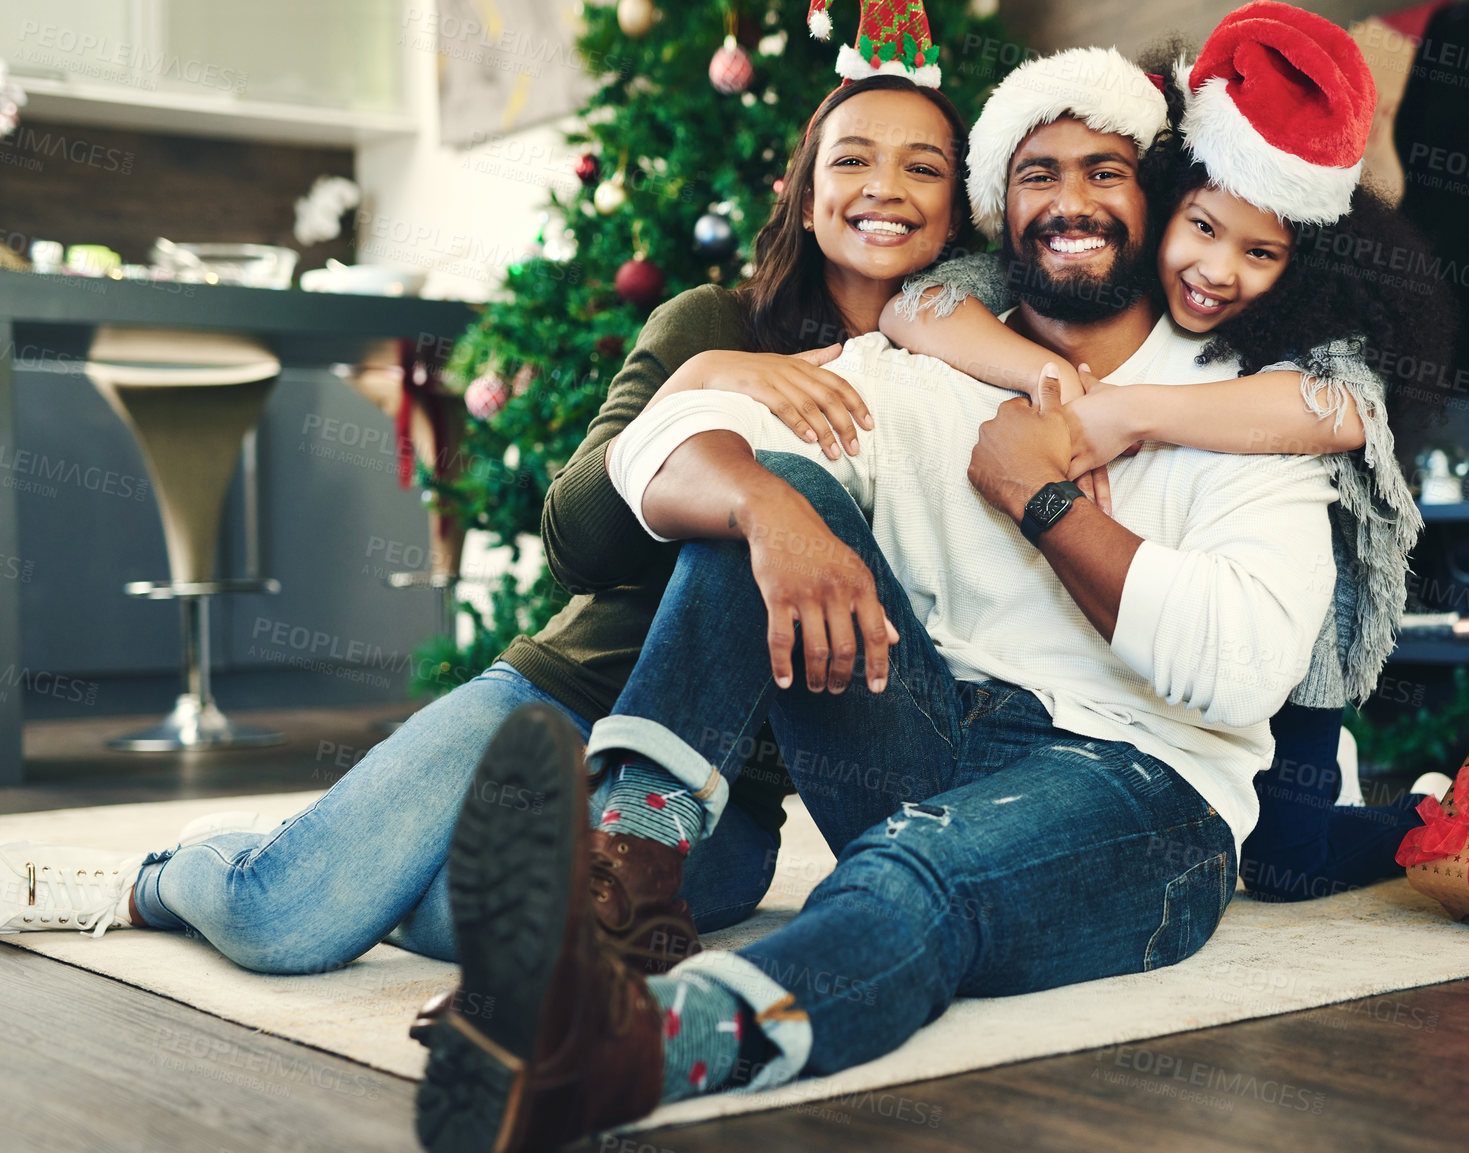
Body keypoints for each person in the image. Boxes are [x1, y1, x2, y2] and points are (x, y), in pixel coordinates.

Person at [411, 17, 1375, 1150]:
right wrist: (764, 500)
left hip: (1145, 793)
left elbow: (1239, 669)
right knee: (771, 490)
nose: (1071, 201)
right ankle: (624, 877)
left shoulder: (1247, 410)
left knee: (914, 868)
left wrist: (1045, 500)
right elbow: (666, 444)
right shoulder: (933, 369)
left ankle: (639, 1044)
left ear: (1153, 199)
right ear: (998, 213)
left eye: (1104, 172)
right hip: (930, 737)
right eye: (1036, 174)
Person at [0, 71, 969, 975]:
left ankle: (393, 857)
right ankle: (154, 877)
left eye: (921, 166)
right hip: (557, 701)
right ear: (805, 199)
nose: (885, 186)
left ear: (957, 211)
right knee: (279, 920)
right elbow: (572, 539)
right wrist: (698, 385)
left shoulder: (961, 384)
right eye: (852, 158)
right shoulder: (712, 325)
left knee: (456, 922)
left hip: (723, 796)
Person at [880, 12, 1458, 902]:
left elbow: (1344, 412)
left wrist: (1131, 413)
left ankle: (1420, 816)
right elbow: (913, 307)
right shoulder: (1102, 270)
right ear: (1160, 205)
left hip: (1306, 645)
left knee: (1285, 863)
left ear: (1300, 265)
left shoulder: (1302, 343)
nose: (1218, 269)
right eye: (1200, 228)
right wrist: (1051, 377)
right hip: (1173, 673)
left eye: (1259, 252)